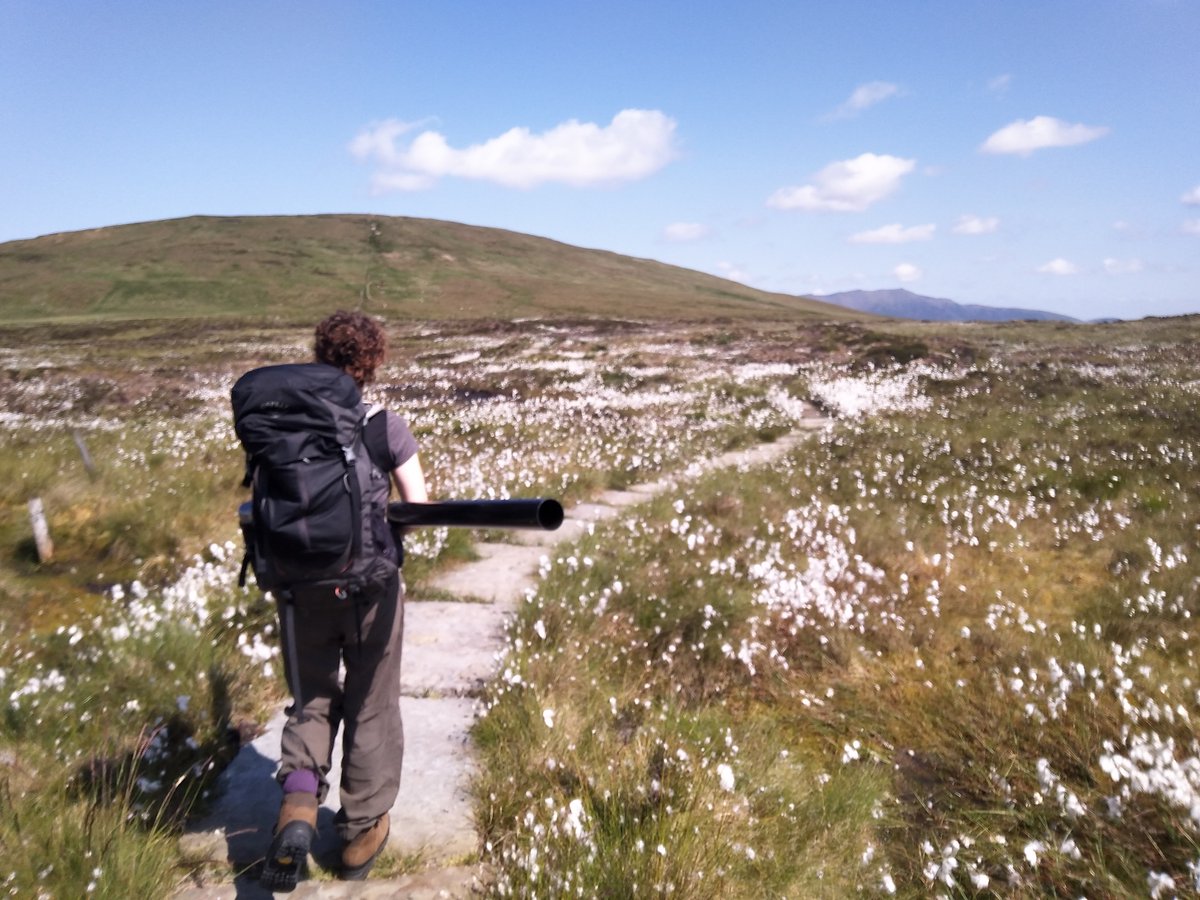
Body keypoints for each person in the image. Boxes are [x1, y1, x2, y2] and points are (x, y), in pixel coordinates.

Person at [259, 310, 428, 890]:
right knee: (371, 700)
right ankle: (359, 833)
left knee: (311, 697)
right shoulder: (385, 426)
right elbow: (418, 508)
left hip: (299, 589)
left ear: (318, 355)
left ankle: (298, 808)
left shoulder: (279, 427)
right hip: (371, 592)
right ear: (373, 361)